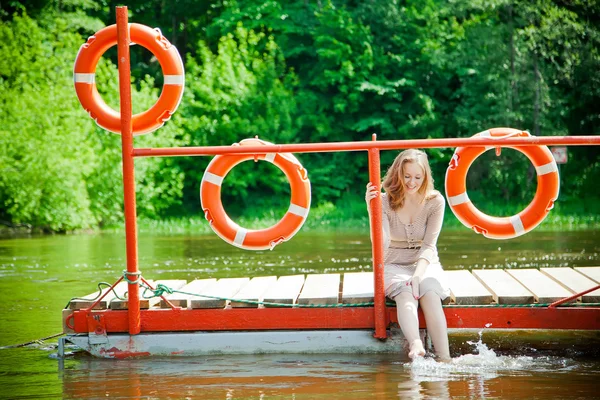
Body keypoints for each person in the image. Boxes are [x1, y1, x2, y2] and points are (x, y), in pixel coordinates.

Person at [365, 149, 451, 362]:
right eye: (407, 176)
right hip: (393, 261)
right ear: (398, 175)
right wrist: (372, 209)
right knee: (405, 293)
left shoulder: (436, 201)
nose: (412, 182)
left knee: (429, 293)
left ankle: (445, 358)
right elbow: (381, 244)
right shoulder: (385, 201)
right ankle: (415, 344)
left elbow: (430, 245)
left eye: (417, 177)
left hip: (425, 261)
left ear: (425, 177)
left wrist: (418, 276)